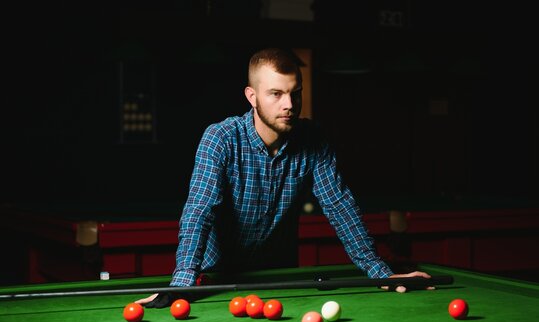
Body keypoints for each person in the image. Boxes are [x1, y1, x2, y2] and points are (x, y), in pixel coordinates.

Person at [136, 48, 432, 308]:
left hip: (280, 277)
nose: (289, 104)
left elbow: (339, 205)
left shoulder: (313, 139)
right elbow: (200, 210)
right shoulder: (221, 138)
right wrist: (183, 282)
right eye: (276, 94)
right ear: (252, 97)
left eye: (295, 92)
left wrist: (380, 272)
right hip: (215, 279)